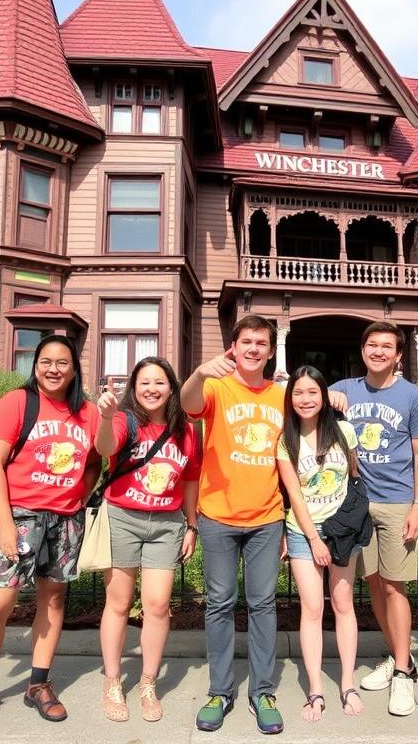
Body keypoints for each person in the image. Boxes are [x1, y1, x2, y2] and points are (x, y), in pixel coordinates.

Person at [0, 335, 101, 733]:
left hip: (64, 519)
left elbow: (94, 462)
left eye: (62, 362)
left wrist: (81, 495)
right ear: (35, 365)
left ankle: (38, 682)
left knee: (53, 600)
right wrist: (5, 523)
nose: (53, 369)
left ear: (74, 369)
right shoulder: (16, 403)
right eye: (45, 361)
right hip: (18, 515)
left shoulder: (88, 413)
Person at [181, 314, 286, 735]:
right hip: (218, 515)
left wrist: (333, 397)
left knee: (263, 605)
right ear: (234, 346)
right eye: (247, 341)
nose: (254, 348)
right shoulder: (216, 387)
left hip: (266, 516)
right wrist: (199, 371)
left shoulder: (281, 394)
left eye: (262, 342)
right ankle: (219, 691)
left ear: (271, 350)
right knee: (220, 604)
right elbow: (189, 406)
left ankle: (262, 690)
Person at [329, 321, 418, 717]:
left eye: (386, 346)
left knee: (395, 588)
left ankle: (405, 670)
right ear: (363, 349)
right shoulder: (346, 389)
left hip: (395, 502)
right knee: (372, 583)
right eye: (372, 344)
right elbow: (303, 396)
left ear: (398, 354)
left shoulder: (412, 396)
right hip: (357, 501)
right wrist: (326, 395)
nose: (378, 351)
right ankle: (396, 655)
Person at [94, 357, 201, 723]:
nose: (152, 389)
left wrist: (192, 525)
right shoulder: (126, 421)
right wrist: (106, 417)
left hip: (167, 524)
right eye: (144, 383)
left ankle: (148, 682)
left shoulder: (185, 430)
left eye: (159, 382)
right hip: (123, 517)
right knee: (119, 602)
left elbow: (190, 478)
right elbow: (106, 449)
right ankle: (112, 681)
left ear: (171, 387)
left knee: (157, 605)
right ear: (134, 388)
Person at [277, 366, 365, 722]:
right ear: (290, 397)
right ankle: (315, 688)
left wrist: (343, 525)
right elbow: (293, 492)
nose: (306, 399)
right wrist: (313, 538)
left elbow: (354, 475)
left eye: (313, 392)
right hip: (303, 531)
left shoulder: (344, 431)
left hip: (343, 530)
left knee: (344, 604)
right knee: (312, 609)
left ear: (324, 396)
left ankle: (347, 683)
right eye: (298, 393)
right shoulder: (287, 438)